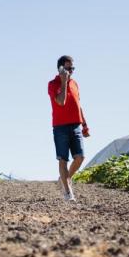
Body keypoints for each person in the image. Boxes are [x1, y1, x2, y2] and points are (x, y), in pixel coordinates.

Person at [48, 55, 90, 201]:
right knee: (63, 160)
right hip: (60, 127)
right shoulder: (53, 84)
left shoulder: (75, 84)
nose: (71, 71)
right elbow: (61, 101)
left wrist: (84, 124)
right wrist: (64, 82)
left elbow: (78, 105)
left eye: (72, 68)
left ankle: (65, 178)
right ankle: (67, 192)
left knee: (80, 157)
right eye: (68, 68)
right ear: (60, 68)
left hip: (76, 125)